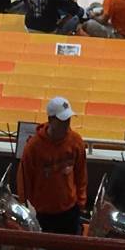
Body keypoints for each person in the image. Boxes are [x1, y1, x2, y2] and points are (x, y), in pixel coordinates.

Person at [18, 98, 88, 234]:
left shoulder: (76, 141)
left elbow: (81, 174)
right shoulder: (33, 147)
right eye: (62, 120)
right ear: (50, 120)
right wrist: (26, 209)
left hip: (69, 210)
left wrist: (81, 202)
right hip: (42, 213)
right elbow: (25, 180)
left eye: (68, 120)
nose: (66, 124)